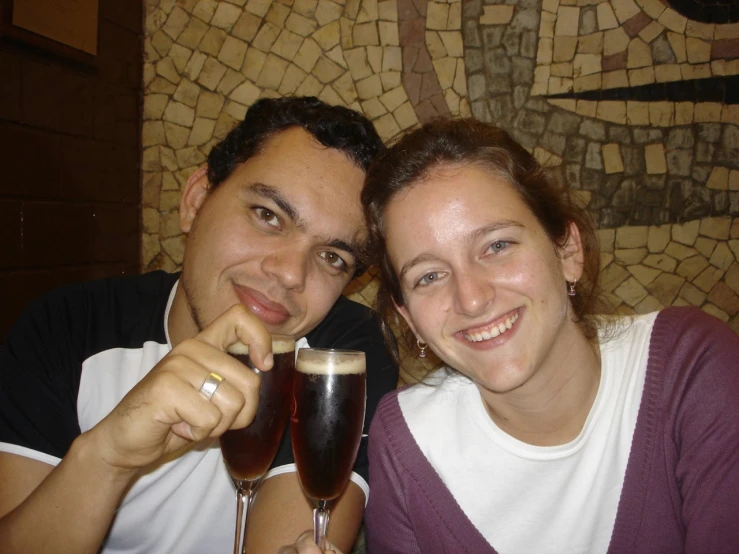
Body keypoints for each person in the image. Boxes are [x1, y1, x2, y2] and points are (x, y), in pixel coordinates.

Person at [0, 96, 399, 554]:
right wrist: (107, 456)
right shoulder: (68, 328)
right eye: (268, 216)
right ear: (196, 201)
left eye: (332, 257)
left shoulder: (339, 359)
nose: (291, 273)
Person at [359, 118, 739, 553]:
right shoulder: (405, 441)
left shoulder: (691, 369)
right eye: (429, 276)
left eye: (497, 246)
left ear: (568, 252)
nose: (471, 299)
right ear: (409, 318)